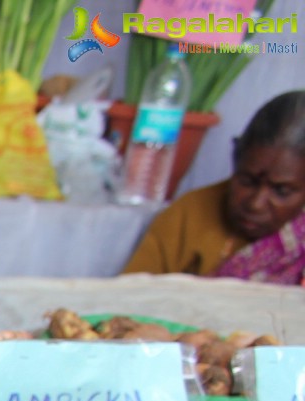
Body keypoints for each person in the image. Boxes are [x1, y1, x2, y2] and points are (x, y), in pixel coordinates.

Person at [123, 90, 305, 283]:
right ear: (236, 156)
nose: (255, 204)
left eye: (281, 191)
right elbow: (129, 299)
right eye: (247, 181)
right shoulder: (189, 214)